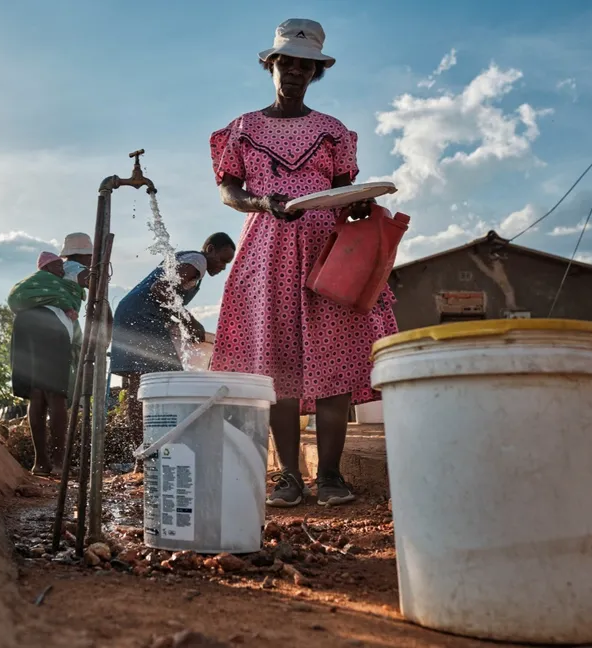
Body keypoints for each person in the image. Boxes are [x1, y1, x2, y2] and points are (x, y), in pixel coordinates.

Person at [209, 19, 399, 507]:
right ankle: (290, 476)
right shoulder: (244, 129)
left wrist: (356, 205)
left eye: (304, 65)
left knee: (333, 361)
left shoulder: (332, 131)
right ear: (270, 65)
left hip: (326, 253)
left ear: (316, 72)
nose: (294, 71)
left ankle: (331, 475)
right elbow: (229, 190)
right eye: (285, 62)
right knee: (279, 366)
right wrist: (259, 202)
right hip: (267, 251)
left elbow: (345, 191)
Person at [110, 233, 236, 436]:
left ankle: (143, 450)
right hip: (141, 319)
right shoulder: (197, 261)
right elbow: (160, 289)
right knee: (165, 381)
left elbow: (163, 299)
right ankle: (156, 444)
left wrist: (176, 325)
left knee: (143, 386)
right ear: (210, 249)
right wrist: (189, 320)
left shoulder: (191, 262)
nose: (222, 267)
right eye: (222, 260)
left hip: (131, 315)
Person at [8, 251, 84, 476]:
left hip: (23, 325)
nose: (62, 270)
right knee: (56, 394)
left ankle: (40, 463)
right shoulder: (74, 270)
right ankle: (59, 463)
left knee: (37, 392)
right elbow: (85, 283)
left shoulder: (32, 287)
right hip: (51, 326)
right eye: (57, 267)